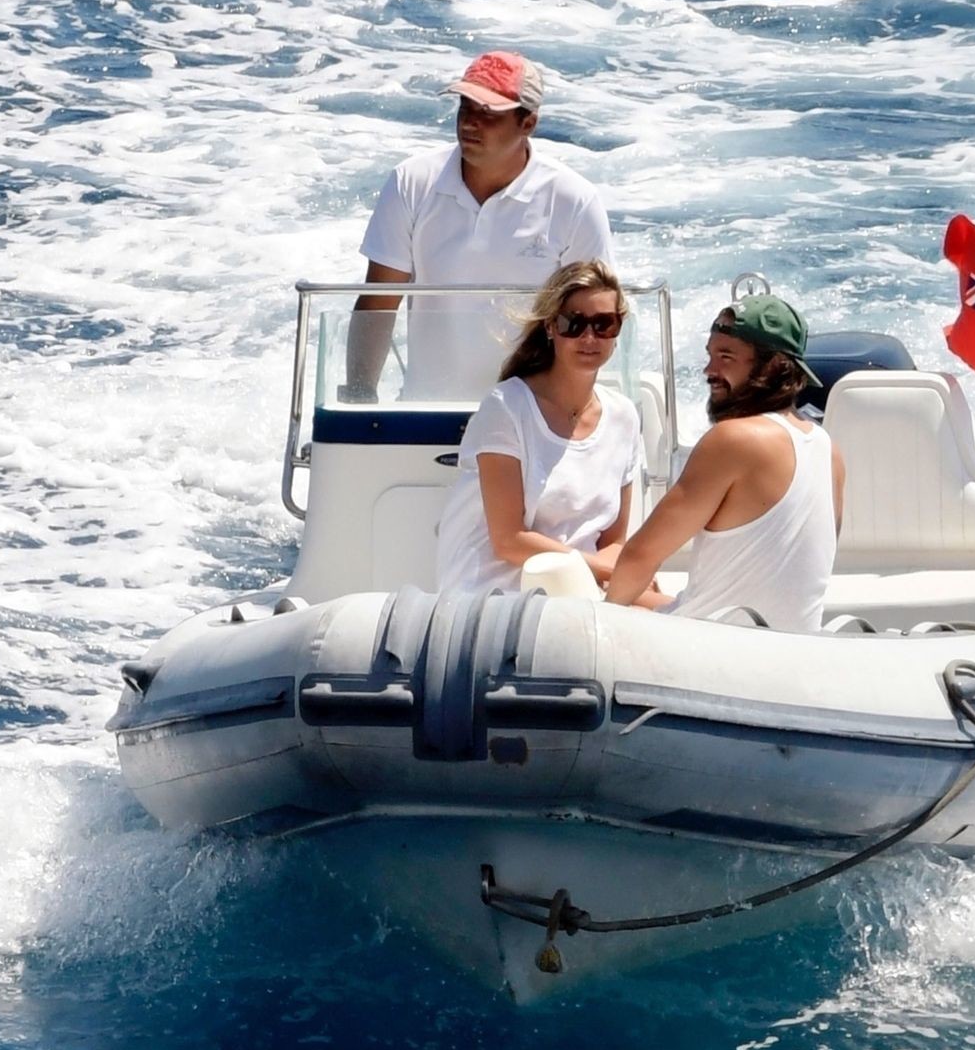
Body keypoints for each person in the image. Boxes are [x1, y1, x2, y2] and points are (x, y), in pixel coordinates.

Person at [345, 49, 616, 402]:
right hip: (426, 413)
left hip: (532, 414)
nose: (470, 122)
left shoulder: (574, 201)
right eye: (465, 107)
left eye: (488, 113)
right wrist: (360, 397)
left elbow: (594, 323)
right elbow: (378, 302)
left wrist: (566, 415)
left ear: (528, 124)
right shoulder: (410, 182)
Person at [605, 294, 845, 633]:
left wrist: (603, 625)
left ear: (773, 367)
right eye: (710, 355)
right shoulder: (829, 450)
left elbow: (640, 556)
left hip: (711, 649)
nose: (709, 370)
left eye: (725, 357)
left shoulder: (733, 440)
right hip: (793, 647)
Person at [434, 261, 643, 593]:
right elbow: (508, 540)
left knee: (668, 607)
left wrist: (617, 575)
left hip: (580, 594)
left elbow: (614, 542)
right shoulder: (506, 407)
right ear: (550, 327)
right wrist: (612, 571)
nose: (589, 337)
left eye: (604, 324)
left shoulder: (624, 417)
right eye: (573, 324)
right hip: (497, 596)